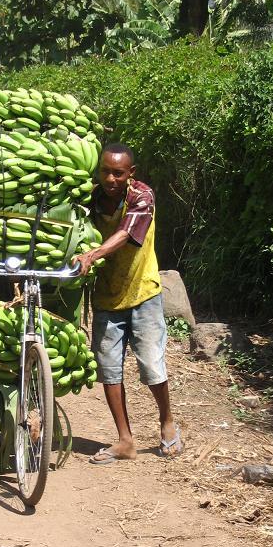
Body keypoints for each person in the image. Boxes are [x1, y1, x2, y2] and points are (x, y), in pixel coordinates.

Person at [74, 142, 183, 464]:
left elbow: (125, 234)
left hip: (142, 293)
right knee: (109, 370)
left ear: (130, 174)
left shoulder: (142, 197)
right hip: (107, 296)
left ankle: (167, 422)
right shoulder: (91, 199)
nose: (111, 178)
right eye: (105, 171)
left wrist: (91, 255)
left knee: (151, 365)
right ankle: (125, 440)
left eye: (118, 173)